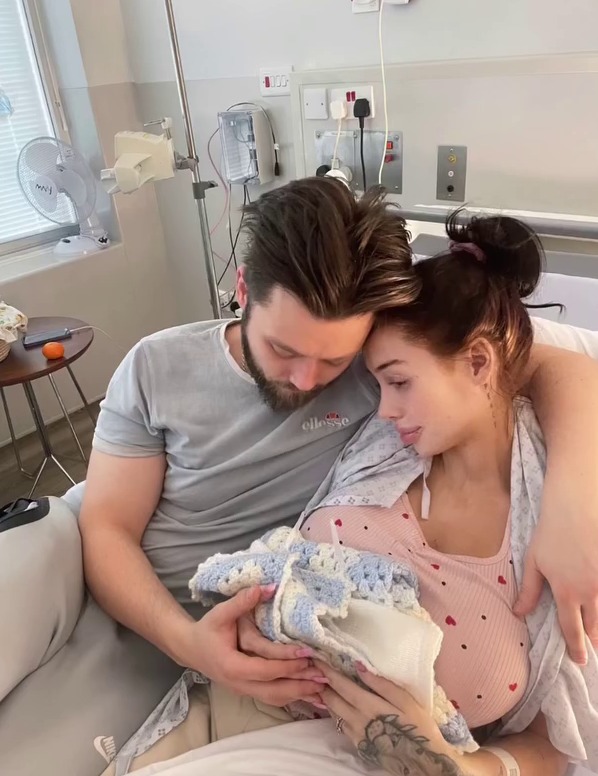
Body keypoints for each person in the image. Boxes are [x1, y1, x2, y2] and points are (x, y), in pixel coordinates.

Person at [1, 178, 597, 776]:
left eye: (334, 360)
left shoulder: (381, 375)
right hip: (126, 609)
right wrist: (193, 646)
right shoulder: (157, 367)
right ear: (242, 290)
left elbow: (548, 364)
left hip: (224, 660)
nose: (309, 379)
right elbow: (105, 530)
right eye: (284, 349)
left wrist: (573, 502)